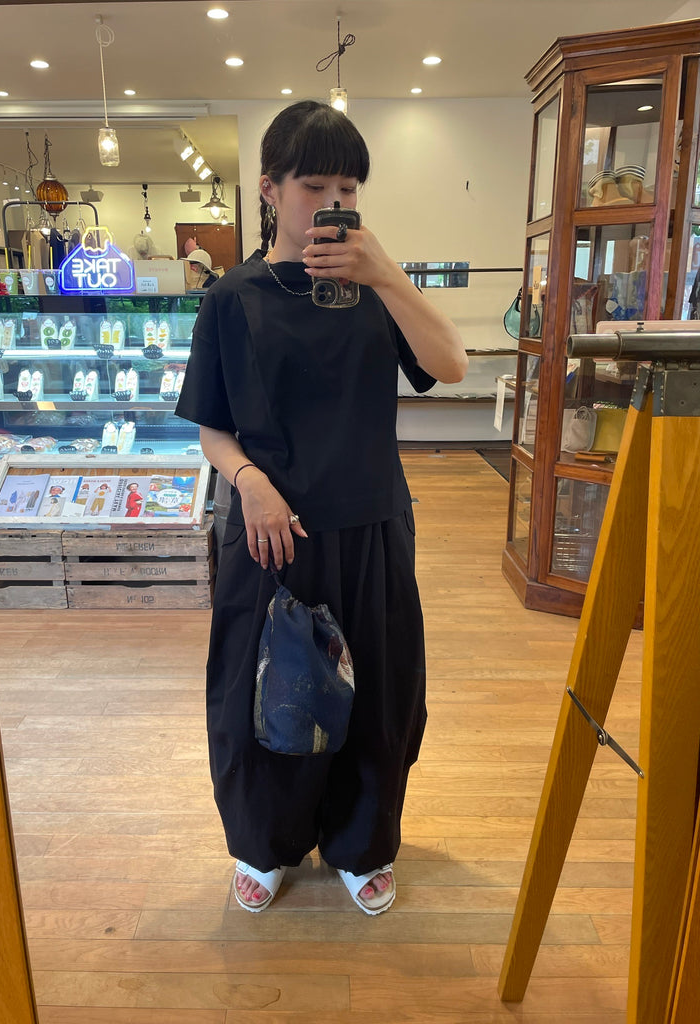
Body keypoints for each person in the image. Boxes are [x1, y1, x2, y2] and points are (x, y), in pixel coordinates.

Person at [175, 100, 467, 916]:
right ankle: (264, 841)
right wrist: (249, 480)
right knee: (260, 692)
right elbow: (211, 427)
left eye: (349, 187)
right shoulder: (232, 298)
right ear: (270, 190)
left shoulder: (376, 289)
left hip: (372, 524)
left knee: (379, 694)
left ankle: (361, 842)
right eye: (314, 185)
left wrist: (388, 275)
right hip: (271, 535)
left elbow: (449, 364)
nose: (333, 202)